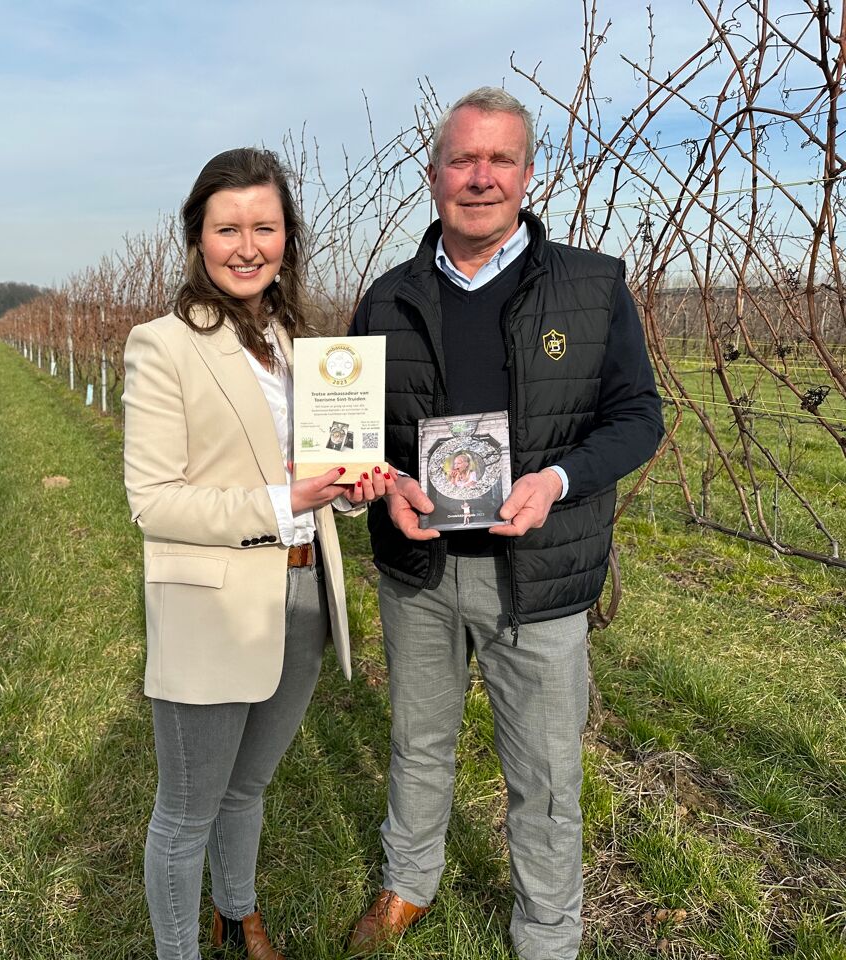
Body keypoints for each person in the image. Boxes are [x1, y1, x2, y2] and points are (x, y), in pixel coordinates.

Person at [345, 88, 664, 960]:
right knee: (417, 742)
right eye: (461, 159)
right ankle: (408, 880)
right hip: (420, 571)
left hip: (541, 574)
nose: (479, 177)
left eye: (499, 160)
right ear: (433, 173)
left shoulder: (592, 286)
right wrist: (380, 485)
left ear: (528, 173)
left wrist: (557, 480)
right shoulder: (385, 300)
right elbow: (353, 438)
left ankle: (547, 933)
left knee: (547, 774)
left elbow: (639, 416)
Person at [122, 147, 393, 960]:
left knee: (250, 784)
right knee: (186, 810)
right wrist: (286, 502)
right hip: (214, 605)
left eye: (264, 227)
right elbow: (153, 500)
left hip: (306, 594)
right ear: (198, 238)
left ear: (287, 236)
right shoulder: (162, 344)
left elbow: (314, 466)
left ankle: (236, 913)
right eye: (228, 228)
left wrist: (348, 486)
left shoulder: (296, 343)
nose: (247, 246)